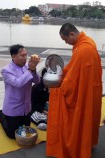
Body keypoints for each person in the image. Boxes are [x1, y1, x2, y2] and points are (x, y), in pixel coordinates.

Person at [46, 23, 102, 158]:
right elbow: (73, 68)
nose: (66, 43)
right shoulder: (89, 42)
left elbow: (70, 82)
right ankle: (85, 144)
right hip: (92, 89)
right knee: (88, 120)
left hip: (84, 92)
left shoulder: (82, 50)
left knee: (79, 119)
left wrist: (59, 88)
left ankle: (76, 148)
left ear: (71, 34)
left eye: (65, 40)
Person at [0, 44, 40, 139]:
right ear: (13, 56)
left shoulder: (27, 66)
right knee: (13, 135)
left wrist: (34, 70)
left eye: (26, 55)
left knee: (24, 132)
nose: (25, 58)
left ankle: (5, 117)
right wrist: (30, 70)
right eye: (22, 55)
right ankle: (2, 116)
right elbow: (18, 83)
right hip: (13, 107)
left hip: (26, 108)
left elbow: (37, 81)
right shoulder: (6, 70)